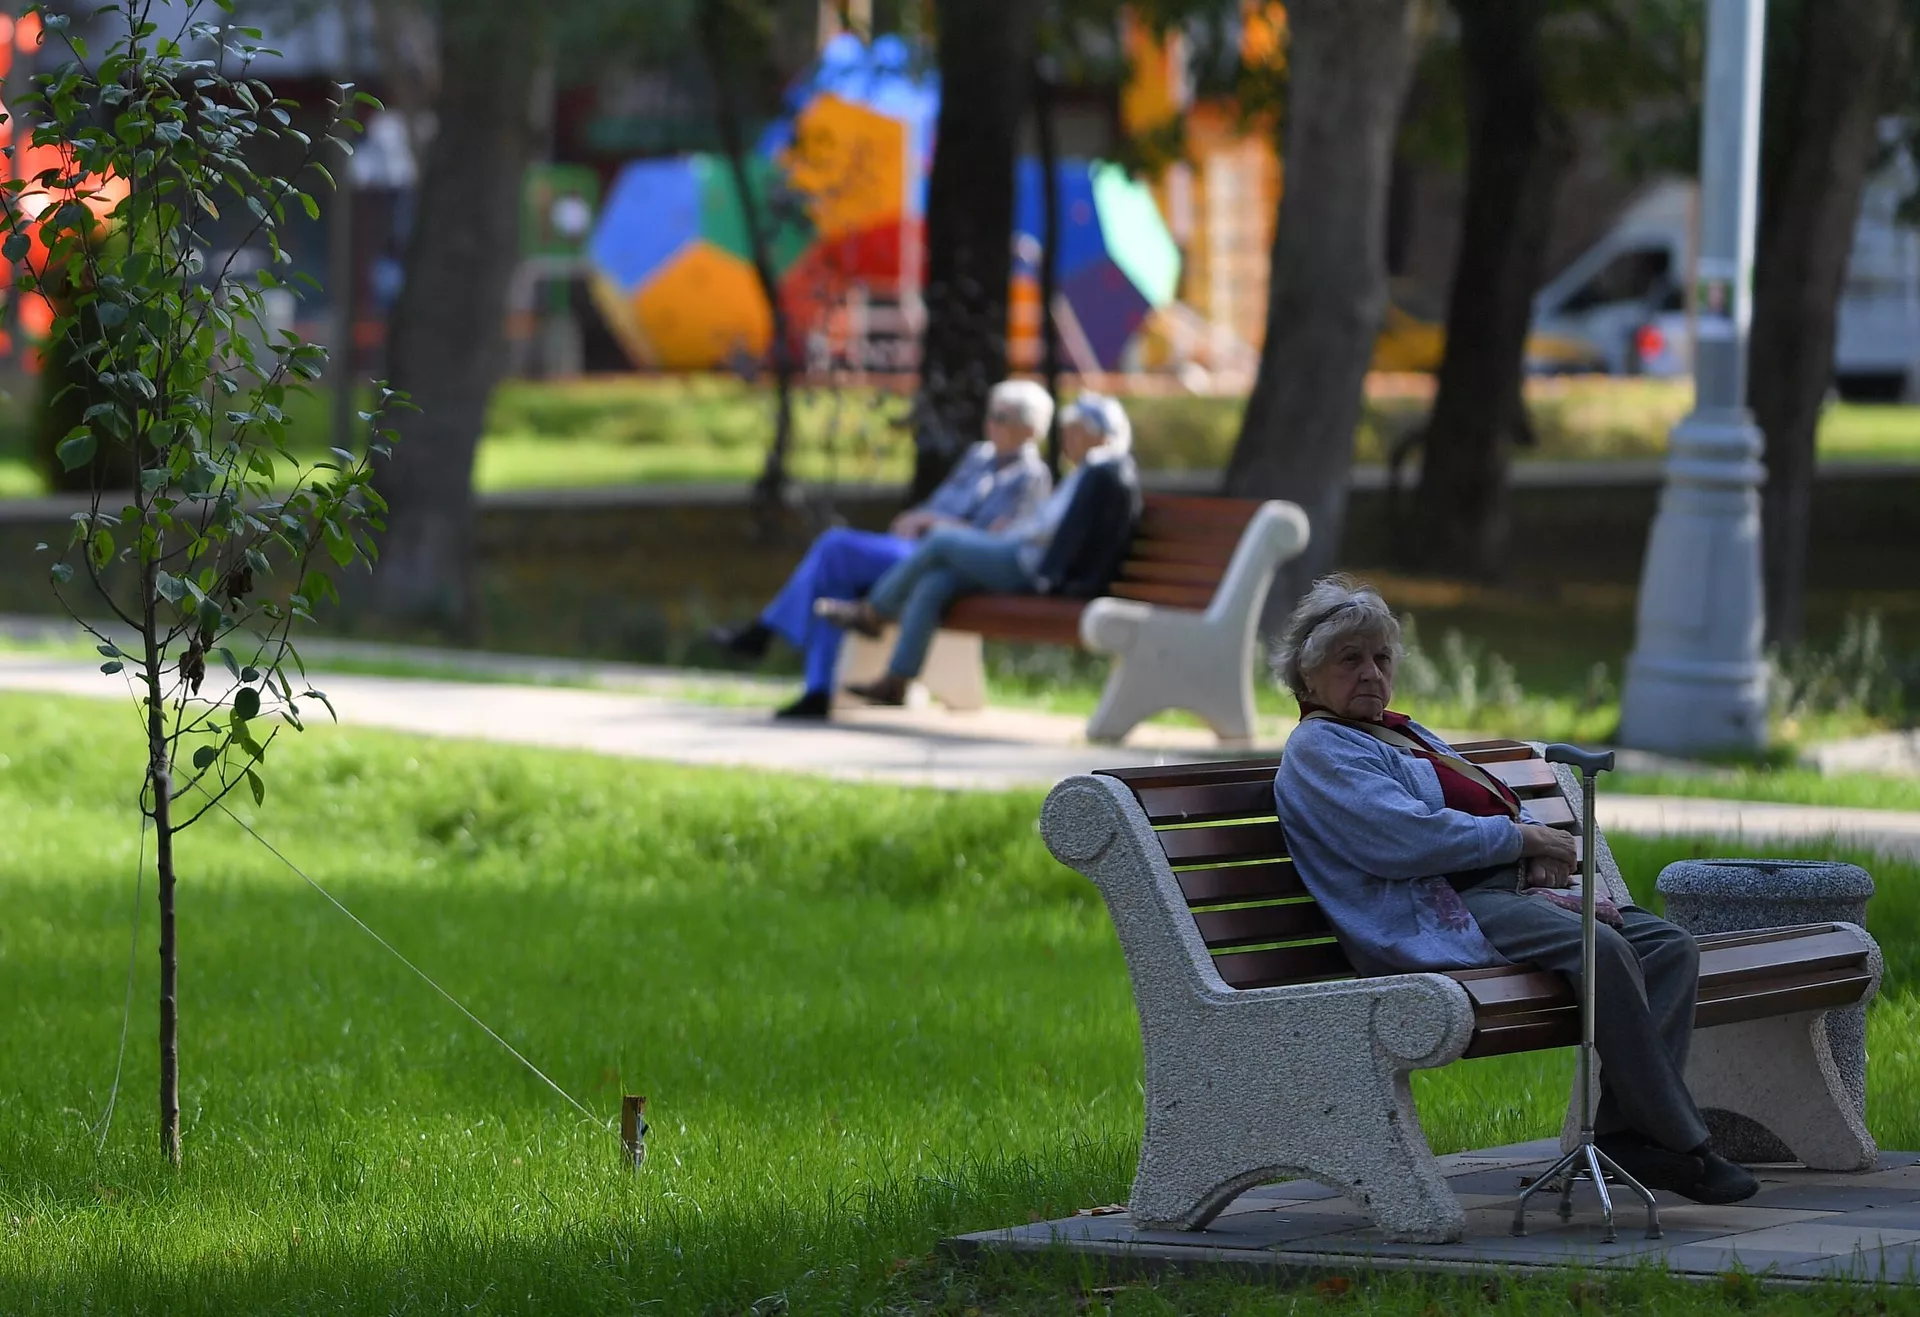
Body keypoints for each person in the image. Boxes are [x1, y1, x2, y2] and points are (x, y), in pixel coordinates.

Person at [1269, 575, 1759, 1206]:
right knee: (1600, 950)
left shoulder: (1394, 734)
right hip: (1433, 914)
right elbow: (1406, 839)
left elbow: (1477, 810)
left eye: (1381, 658)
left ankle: (1624, 1132)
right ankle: (1683, 1144)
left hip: (1491, 897)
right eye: (1350, 659)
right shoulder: (1319, 748)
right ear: (1308, 678)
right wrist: (1524, 842)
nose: (1370, 672)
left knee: (1668, 945)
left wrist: (1531, 857)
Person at [708, 379, 1053, 719]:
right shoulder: (978, 457)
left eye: (1002, 417)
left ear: (1029, 429)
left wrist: (933, 524)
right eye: (991, 414)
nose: (991, 423)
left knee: (835, 546)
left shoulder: (1032, 477)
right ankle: (817, 691)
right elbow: (938, 504)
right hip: (913, 548)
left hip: (938, 557)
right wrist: (917, 517)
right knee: (833, 580)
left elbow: (995, 540)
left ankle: (766, 631)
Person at [819, 392, 1141, 706]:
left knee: (941, 541)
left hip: (1030, 566)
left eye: (1075, 432)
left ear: (1096, 434)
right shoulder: (1089, 471)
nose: (1067, 439)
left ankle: (874, 611)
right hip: (1023, 555)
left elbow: (1051, 534)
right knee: (935, 582)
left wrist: (1014, 532)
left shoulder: (1100, 468)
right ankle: (897, 682)